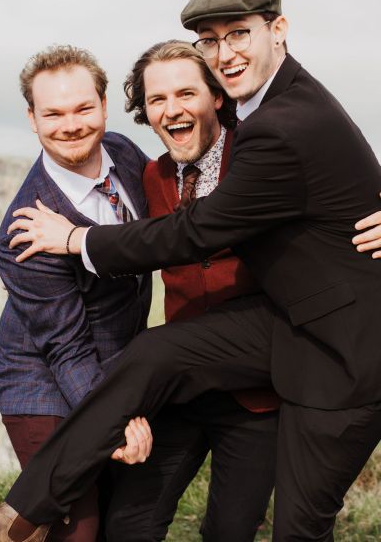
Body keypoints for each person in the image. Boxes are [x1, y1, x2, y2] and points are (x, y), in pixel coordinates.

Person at [0, 0, 381, 542]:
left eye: (239, 34)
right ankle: (18, 517)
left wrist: (76, 239)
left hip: (335, 353)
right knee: (156, 353)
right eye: (212, 41)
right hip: (232, 348)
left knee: (294, 528)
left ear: (279, 31)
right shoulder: (145, 168)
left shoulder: (271, 129)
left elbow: (198, 231)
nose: (227, 52)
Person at [106, 40, 279, 542]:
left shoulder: (261, 159)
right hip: (180, 385)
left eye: (186, 93)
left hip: (258, 394)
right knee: (128, 524)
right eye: (157, 99)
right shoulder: (151, 176)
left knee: (230, 531)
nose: (172, 109)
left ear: (217, 97)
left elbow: (336, 176)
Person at [0, 45, 153, 542]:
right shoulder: (24, 234)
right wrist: (114, 419)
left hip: (113, 364)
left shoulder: (121, 151)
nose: (70, 124)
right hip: (40, 380)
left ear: (103, 106)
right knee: (78, 527)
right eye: (52, 113)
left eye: (83, 108)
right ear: (32, 119)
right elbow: (66, 348)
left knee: (120, 512)